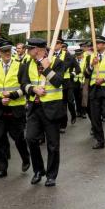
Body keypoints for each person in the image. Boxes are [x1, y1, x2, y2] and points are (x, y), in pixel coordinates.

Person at [20, 37, 66, 186]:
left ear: (37, 50)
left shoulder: (57, 62)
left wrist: (47, 69)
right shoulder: (28, 64)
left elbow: (59, 81)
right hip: (35, 108)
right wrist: (33, 89)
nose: (27, 51)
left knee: (53, 144)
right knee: (31, 138)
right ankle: (38, 170)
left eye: (29, 49)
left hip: (52, 109)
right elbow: (24, 84)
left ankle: (51, 175)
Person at [0, 37, 30, 178]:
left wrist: (11, 95)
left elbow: (25, 88)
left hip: (16, 109)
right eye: (3, 51)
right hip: (0, 109)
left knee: (18, 138)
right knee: (0, 140)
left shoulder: (21, 66)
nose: (6, 53)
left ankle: (25, 158)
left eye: (8, 51)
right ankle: (2, 168)